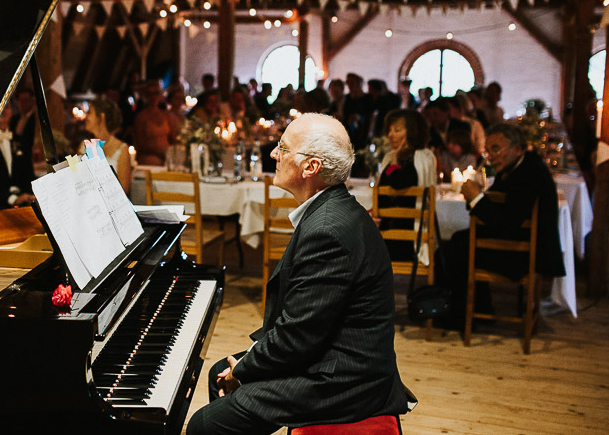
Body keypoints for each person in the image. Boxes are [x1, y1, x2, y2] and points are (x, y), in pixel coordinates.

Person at [187, 113, 409, 434]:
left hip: (343, 381)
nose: (274, 154)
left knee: (205, 424)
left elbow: (298, 336)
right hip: (330, 355)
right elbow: (303, 326)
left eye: (283, 148)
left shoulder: (328, 230)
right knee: (221, 372)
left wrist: (247, 368)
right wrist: (249, 363)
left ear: (310, 167)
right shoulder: (333, 208)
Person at [437, 123, 565, 326]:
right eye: (488, 151)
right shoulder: (520, 165)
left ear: (517, 148)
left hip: (523, 253)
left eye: (496, 149)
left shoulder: (527, 173)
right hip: (517, 243)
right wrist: (478, 198)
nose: (490, 156)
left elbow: (506, 224)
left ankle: (458, 316)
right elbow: (497, 209)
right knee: (458, 239)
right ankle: (479, 307)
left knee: (448, 252)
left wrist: (476, 199)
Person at [375, 109, 435, 261]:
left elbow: (399, 183)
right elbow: (383, 193)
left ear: (412, 132)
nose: (390, 135)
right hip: (389, 234)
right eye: (389, 130)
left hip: (409, 239)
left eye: (397, 130)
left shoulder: (422, 158)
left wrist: (394, 163)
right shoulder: (391, 157)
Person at [82, 96, 132, 194]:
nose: (86, 117)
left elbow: (124, 189)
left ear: (102, 117)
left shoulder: (122, 149)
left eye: (90, 113)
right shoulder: (84, 147)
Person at [133, 80, 176, 165]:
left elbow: (173, 138)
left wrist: (171, 152)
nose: (153, 97)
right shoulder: (141, 117)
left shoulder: (166, 115)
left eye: (156, 93)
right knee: (154, 161)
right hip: (149, 155)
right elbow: (141, 144)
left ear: (160, 95)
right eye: (150, 94)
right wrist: (160, 152)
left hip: (167, 153)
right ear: (146, 96)